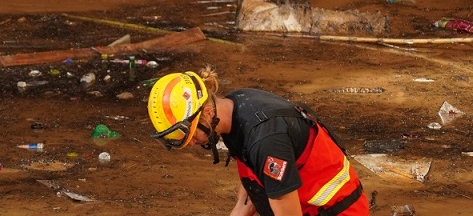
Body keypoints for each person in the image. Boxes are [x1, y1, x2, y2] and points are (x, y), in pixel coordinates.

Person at [147, 66, 369, 216]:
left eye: (189, 133)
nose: (190, 143)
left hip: (335, 210)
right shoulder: (232, 109)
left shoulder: (266, 140)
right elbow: (251, 180)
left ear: (206, 112)